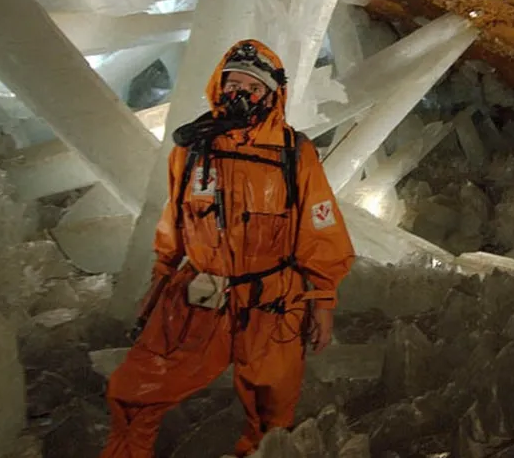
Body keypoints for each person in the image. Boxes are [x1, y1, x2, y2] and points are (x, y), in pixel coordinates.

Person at [101, 40, 355, 457]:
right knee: (136, 392)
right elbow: (175, 218)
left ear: (272, 95)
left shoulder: (295, 154)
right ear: (218, 88)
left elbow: (319, 227)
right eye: (232, 83)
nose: (241, 94)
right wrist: (161, 277)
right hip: (201, 294)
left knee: (273, 416)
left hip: (273, 303)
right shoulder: (192, 149)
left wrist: (323, 300)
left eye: (252, 87)